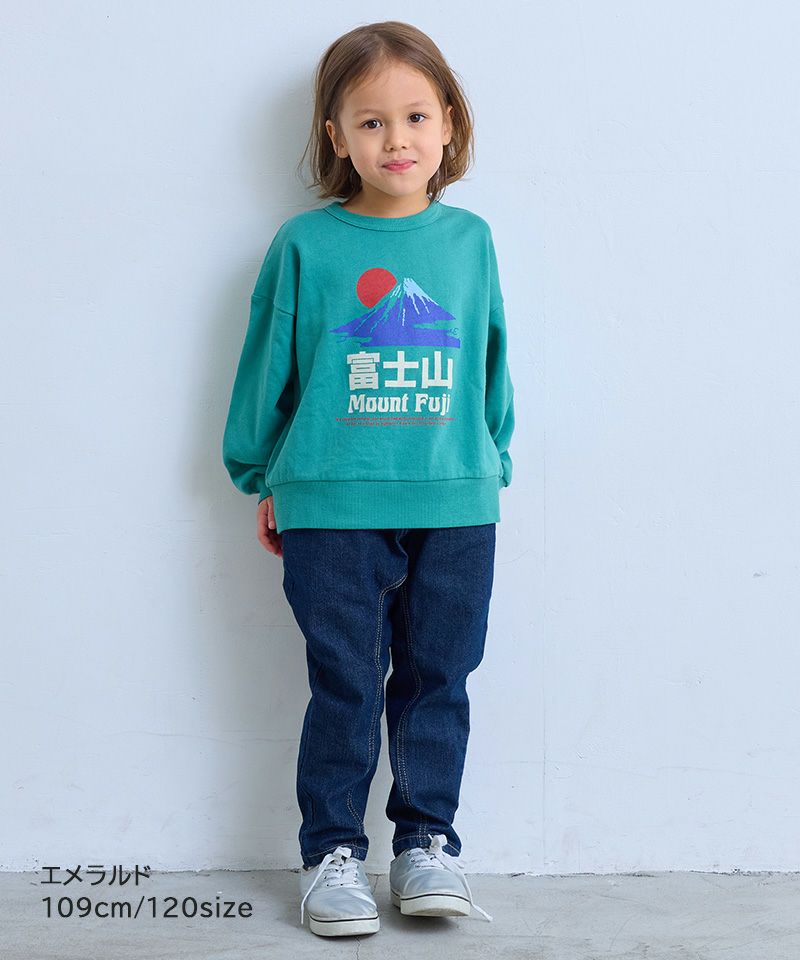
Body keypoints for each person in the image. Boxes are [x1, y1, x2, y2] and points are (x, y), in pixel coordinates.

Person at [222, 20, 515, 939]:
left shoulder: (469, 241)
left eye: (416, 116)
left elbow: (491, 362)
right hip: (329, 502)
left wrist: (493, 458)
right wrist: (263, 474)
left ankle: (427, 843)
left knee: (440, 677)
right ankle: (333, 854)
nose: (397, 140)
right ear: (336, 136)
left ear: (450, 124)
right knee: (346, 680)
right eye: (372, 121)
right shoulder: (306, 245)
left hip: (455, 498)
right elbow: (269, 364)